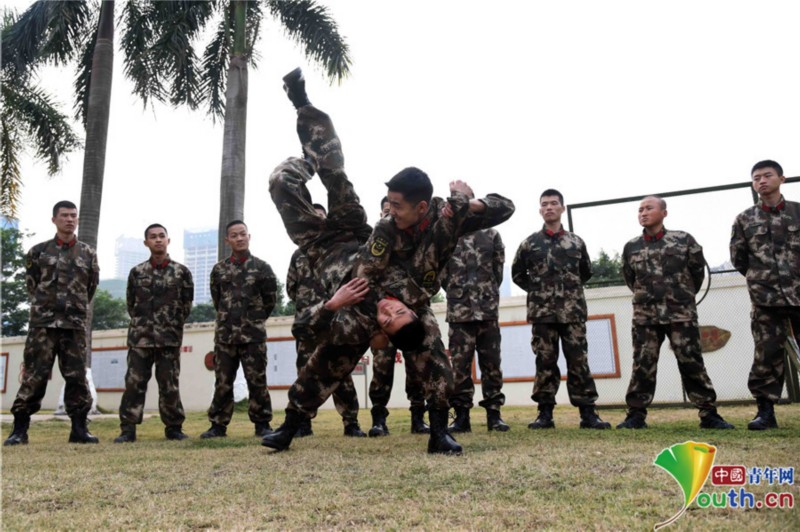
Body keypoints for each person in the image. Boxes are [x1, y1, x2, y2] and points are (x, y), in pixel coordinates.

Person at [263, 68, 513, 454]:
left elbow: (311, 344)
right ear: (410, 311)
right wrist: (471, 204)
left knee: (281, 182)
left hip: (321, 245)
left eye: (387, 320)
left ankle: (292, 426)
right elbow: (504, 206)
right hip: (352, 231)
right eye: (395, 313)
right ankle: (307, 119)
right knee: (335, 172)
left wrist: (334, 305)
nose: (387, 312)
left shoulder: (364, 311)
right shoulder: (400, 230)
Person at [617, 196, 733, 429]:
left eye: (649, 208)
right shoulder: (631, 246)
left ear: (664, 213)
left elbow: (697, 273)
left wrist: (681, 297)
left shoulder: (683, 240)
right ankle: (636, 415)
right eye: (640, 210)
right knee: (642, 364)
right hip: (645, 317)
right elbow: (631, 279)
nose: (643, 213)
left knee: (691, 362)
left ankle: (708, 414)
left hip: (681, 314)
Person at [511, 189, 610, 430]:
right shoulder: (529, 244)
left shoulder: (575, 242)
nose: (549, 208)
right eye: (544, 204)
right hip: (543, 314)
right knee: (545, 361)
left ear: (562, 208)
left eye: (554, 203)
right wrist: (539, 292)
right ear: (540, 209)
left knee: (579, 361)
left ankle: (588, 414)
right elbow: (517, 274)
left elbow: (584, 271)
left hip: (572, 313)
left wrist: (568, 293)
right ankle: (545, 414)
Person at [4, 201, 100, 446]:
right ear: (54, 219)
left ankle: (79, 428)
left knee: (77, 377)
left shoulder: (88, 254)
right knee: (34, 376)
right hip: (43, 326)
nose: (70, 220)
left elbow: (90, 288)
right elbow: (32, 285)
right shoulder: (38, 252)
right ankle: (19, 430)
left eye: (73, 216)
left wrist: (72, 309)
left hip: (74, 326)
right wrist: (47, 308)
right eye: (64, 215)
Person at [287, 204, 367, 438]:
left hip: (337, 318)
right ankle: (302, 421)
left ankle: (350, 421)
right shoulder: (298, 254)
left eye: (322, 218)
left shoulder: (339, 251)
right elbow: (291, 287)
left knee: (339, 370)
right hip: (310, 321)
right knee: (305, 369)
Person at [731, 159, 798, 430]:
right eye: (756, 177)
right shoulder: (745, 219)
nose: (761, 181)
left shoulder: (797, 212)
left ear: (782, 179)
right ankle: (765, 412)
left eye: (767, 175)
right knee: (766, 355)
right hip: (765, 299)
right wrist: (763, 280)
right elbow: (739, 258)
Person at [114, 223, 194, 442]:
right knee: (134, 384)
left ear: (168, 240)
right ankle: (128, 429)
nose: (158, 240)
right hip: (140, 339)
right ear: (146, 243)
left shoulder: (181, 272)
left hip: (169, 339)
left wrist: (171, 324)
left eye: (161, 236)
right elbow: (131, 305)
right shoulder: (137, 272)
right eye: (153, 237)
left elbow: (186, 305)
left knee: (169, 385)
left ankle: (174, 428)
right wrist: (144, 324)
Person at [199, 220, 277, 439]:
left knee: (257, 380)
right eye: (234, 235)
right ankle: (218, 425)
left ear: (249, 236)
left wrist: (254, 320)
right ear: (227, 240)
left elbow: (270, 300)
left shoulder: (262, 268)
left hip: (253, 335)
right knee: (223, 381)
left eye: (243, 234)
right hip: (225, 336)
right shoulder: (219, 269)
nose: (239, 238)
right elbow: (218, 300)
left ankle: (262, 424)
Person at [368, 197, 429, 437]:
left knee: (416, 366)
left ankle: (418, 417)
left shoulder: (411, 239)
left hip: (407, 314)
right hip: (382, 316)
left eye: (393, 212)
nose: (390, 216)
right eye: (385, 212)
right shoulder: (375, 239)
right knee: (381, 368)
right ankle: (379, 419)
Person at [441, 222, 509, 432]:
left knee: (492, 365)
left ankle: (494, 415)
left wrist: (483, 293)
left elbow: (497, 271)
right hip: (459, 313)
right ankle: (461, 417)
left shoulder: (491, 235)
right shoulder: (446, 237)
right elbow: (442, 273)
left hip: (487, 312)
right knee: (459, 367)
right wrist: (459, 293)